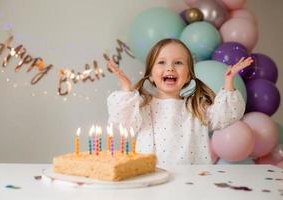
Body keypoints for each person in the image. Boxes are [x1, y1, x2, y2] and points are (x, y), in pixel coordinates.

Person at [106, 38, 253, 170]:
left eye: (178, 62)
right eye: (162, 62)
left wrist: (228, 82)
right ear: (150, 75)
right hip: (152, 178)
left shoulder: (196, 108)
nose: (170, 68)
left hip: (191, 180)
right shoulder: (142, 107)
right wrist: (126, 88)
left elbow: (225, 116)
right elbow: (122, 122)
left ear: (188, 75)